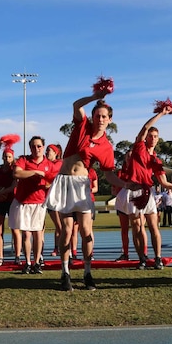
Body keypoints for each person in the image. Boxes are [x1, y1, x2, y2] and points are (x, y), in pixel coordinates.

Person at [45, 84, 129, 292]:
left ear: (110, 120)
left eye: (104, 116)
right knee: (65, 231)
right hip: (64, 182)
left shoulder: (107, 147)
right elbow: (76, 104)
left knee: (85, 231)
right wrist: (95, 97)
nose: (100, 119)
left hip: (82, 186)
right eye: (97, 115)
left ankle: (88, 273)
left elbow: (109, 174)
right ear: (93, 117)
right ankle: (65, 273)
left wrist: (126, 183)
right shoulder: (82, 125)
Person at [115, 105, 172, 270]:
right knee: (136, 227)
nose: (152, 138)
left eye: (155, 136)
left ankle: (157, 257)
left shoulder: (156, 160)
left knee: (153, 226)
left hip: (147, 192)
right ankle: (142, 258)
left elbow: (164, 183)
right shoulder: (139, 148)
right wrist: (162, 114)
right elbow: (144, 127)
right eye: (150, 135)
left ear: (158, 139)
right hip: (133, 191)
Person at [11, 136, 58, 274]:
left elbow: (52, 181)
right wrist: (35, 172)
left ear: (43, 147)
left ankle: (37, 262)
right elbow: (17, 173)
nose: (36, 149)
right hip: (24, 201)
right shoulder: (24, 159)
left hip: (39, 202)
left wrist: (44, 178)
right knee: (26, 234)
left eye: (39, 146)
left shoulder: (49, 164)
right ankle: (27, 262)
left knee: (38, 233)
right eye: (33, 146)